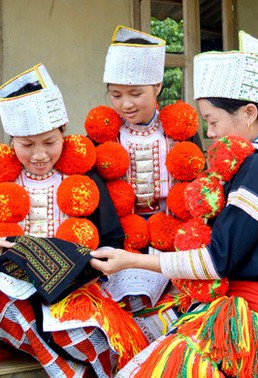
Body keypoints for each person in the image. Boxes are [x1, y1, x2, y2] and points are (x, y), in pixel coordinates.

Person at [89, 31, 258, 377]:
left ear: (249, 113)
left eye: (212, 121)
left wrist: (132, 261)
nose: (209, 133)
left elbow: (216, 261)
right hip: (255, 302)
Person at [0, 63, 149, 377]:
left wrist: (85, 271)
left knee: (98, 341)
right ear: (11, 140)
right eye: (27, 144)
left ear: (64, 131)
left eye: (50, 142)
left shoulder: (85, 180)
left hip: (75, 297)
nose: (39, 155)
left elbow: (111, 242)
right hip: (11, 297)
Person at [84, 25, 208, 337]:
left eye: (136, 94)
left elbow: (196, 180)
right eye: (116, 95)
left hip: (171, 230)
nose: (126, 104)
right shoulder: (104, 135)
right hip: (121, 236)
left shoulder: (179, 130)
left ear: (157, 87)